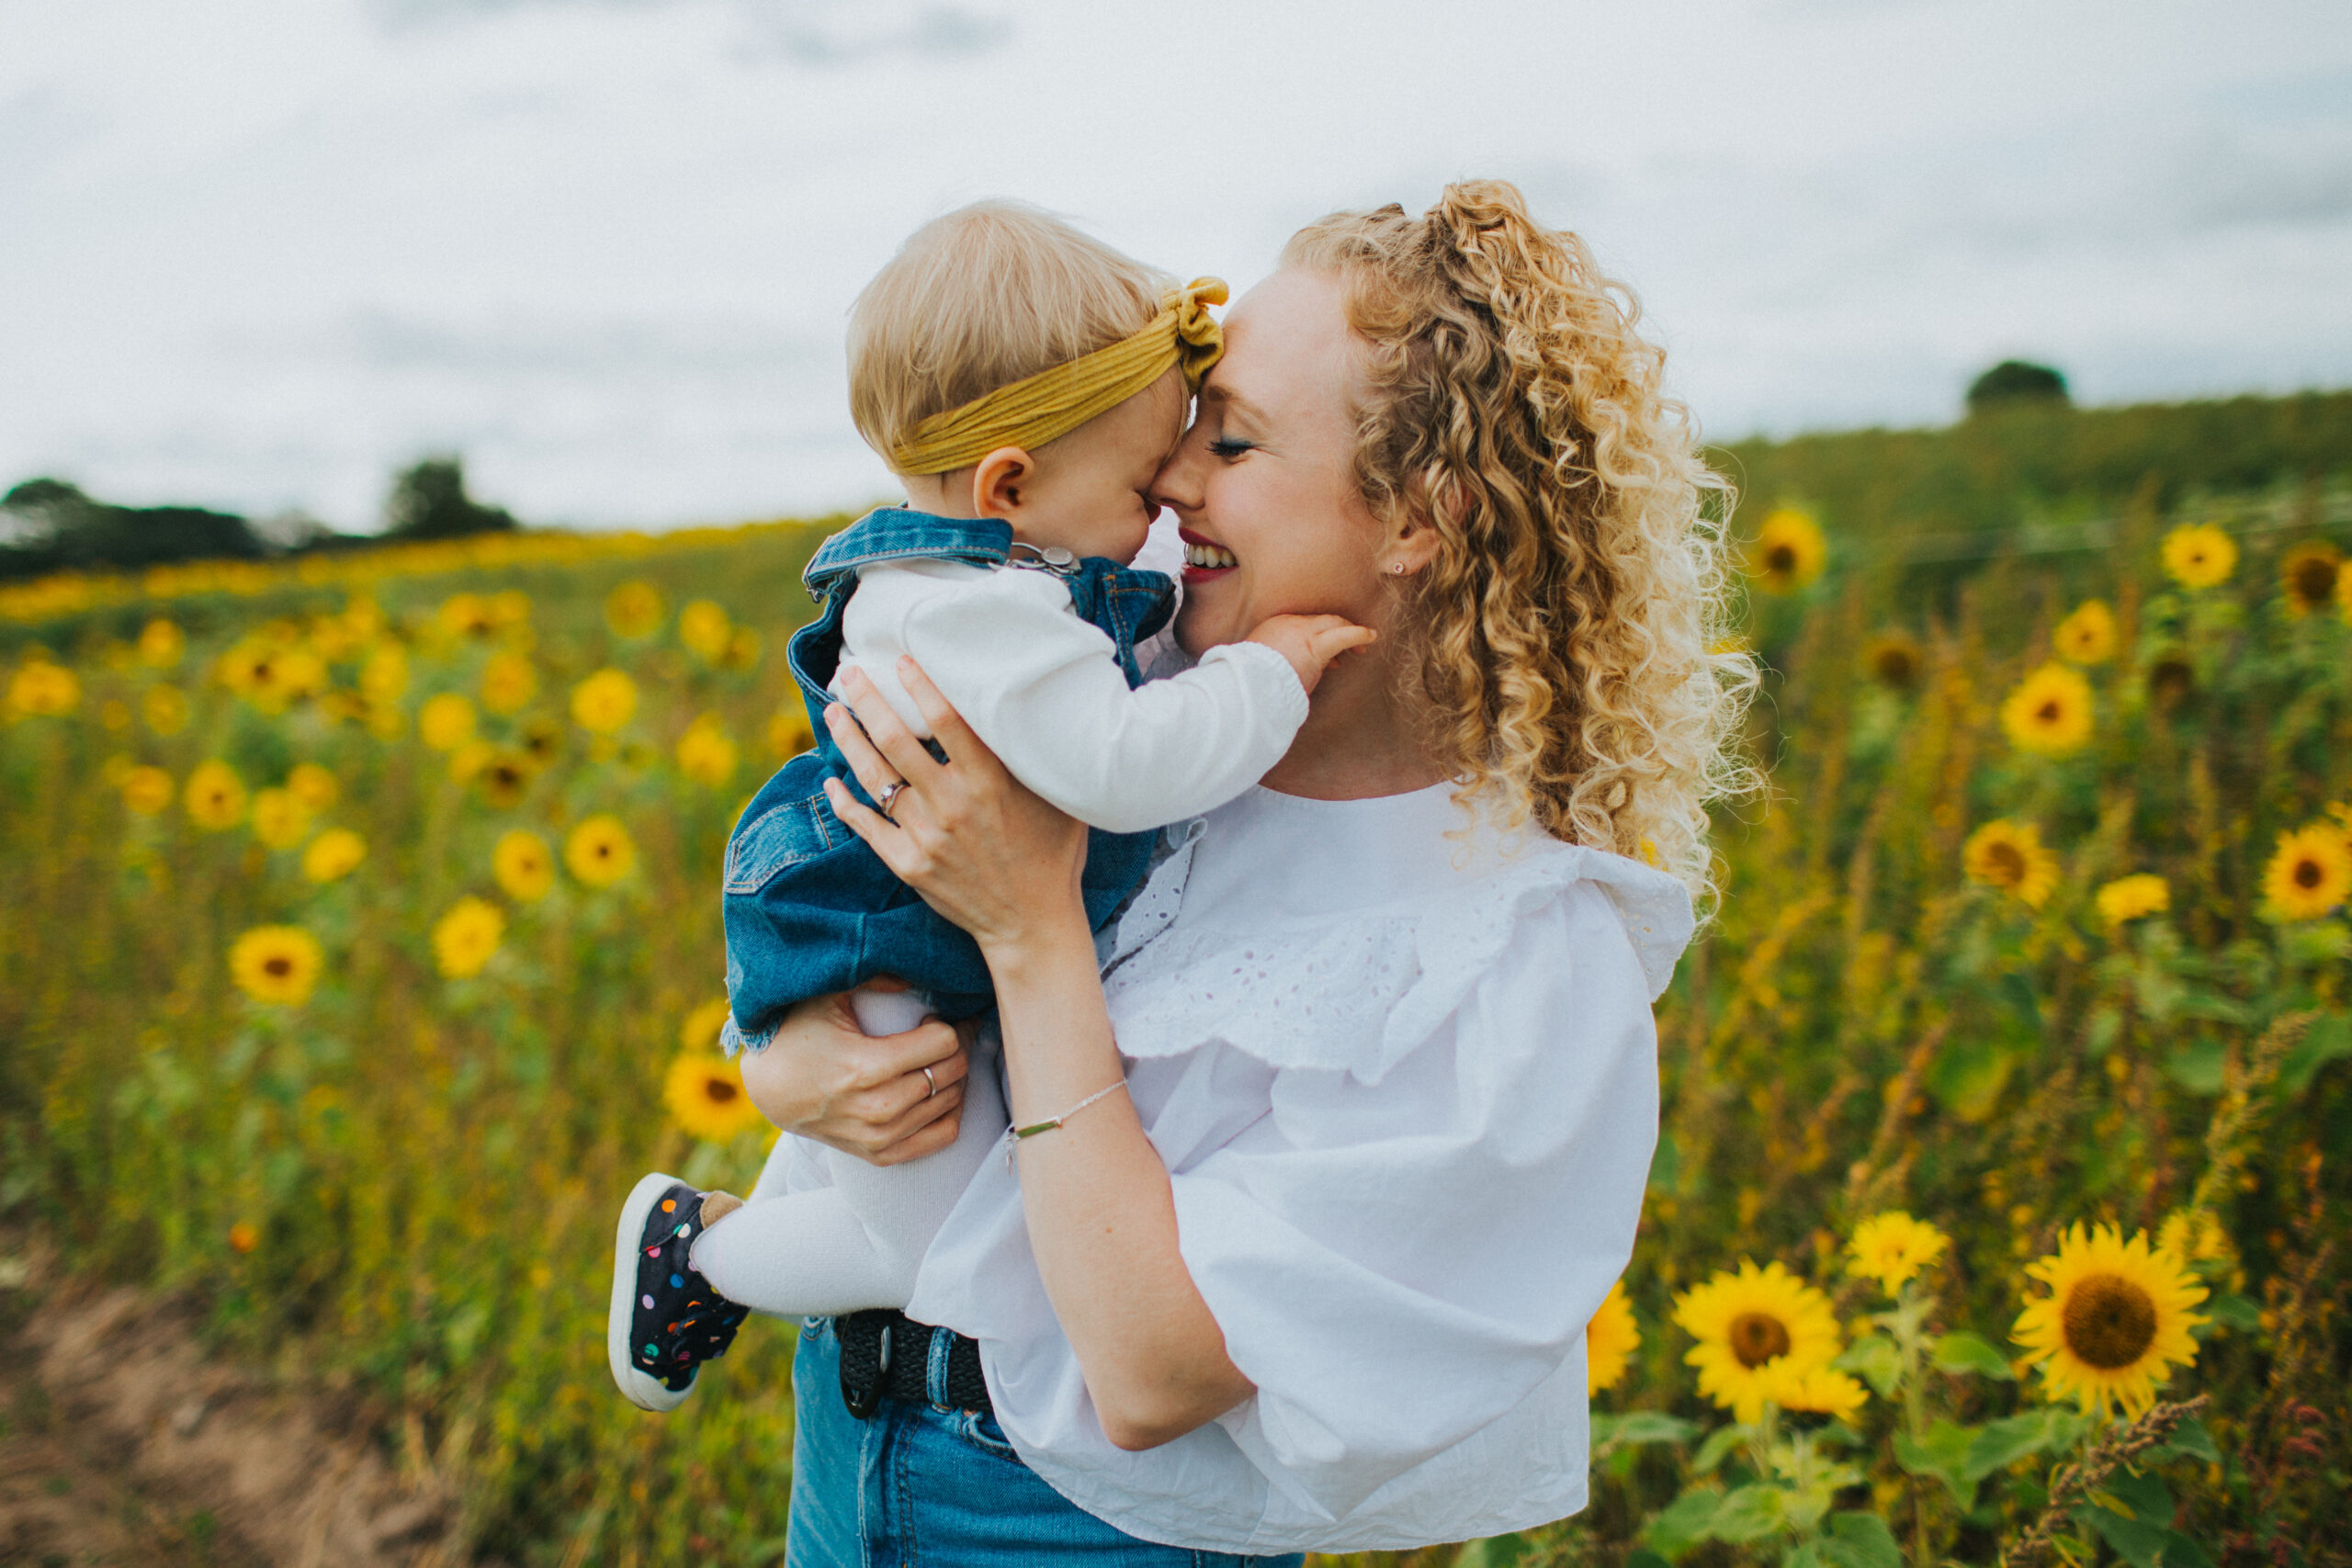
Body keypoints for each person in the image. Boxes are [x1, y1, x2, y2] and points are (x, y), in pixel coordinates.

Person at [748, 179, 1755, 1563]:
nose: (1168, 479)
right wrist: (791, 1065)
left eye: (1231, 439)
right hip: (846, 1438)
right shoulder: (1129, 692)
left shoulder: (1509, 952)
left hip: (1073, 1528)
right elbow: (832, 896)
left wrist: (1034, 932)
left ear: (1418, 516)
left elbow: (1155, 1373)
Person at [605, 201, 1373, 1416]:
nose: (1170, 496)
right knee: (924, 1249)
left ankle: (743, 1227)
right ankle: (700, 1255)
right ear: (1010, 484)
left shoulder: (973, 577)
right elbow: (1125, 765)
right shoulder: (985, 610)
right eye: (1145, 473)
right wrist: (1267, 674)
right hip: (893, 961)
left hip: (899, 947)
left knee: (887, 1173)